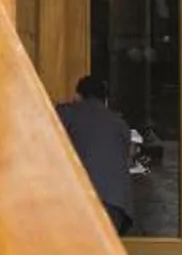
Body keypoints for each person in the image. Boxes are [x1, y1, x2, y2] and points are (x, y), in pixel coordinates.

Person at [55, 74, 135, 236]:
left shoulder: (67, 113)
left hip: (80, 200)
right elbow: (127, 158)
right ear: (106, 100)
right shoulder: (120, 124)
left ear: (77, 96)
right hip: (116, 203)